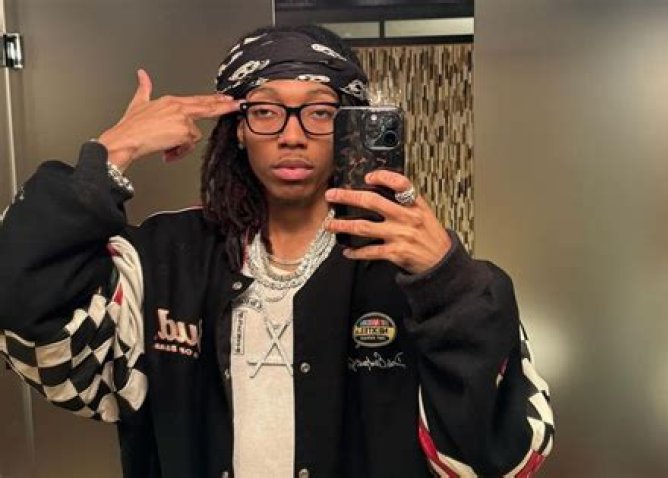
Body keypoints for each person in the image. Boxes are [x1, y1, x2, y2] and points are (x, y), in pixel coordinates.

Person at [0, 24, 554, 478]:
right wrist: (110, 154)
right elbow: (29, 318)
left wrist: (450, 280)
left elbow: (505, 457)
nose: (293, 135)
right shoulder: (167, 257)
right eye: (265, 111)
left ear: (348, 126)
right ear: (238, 129)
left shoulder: (407, 266)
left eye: (320, 111)